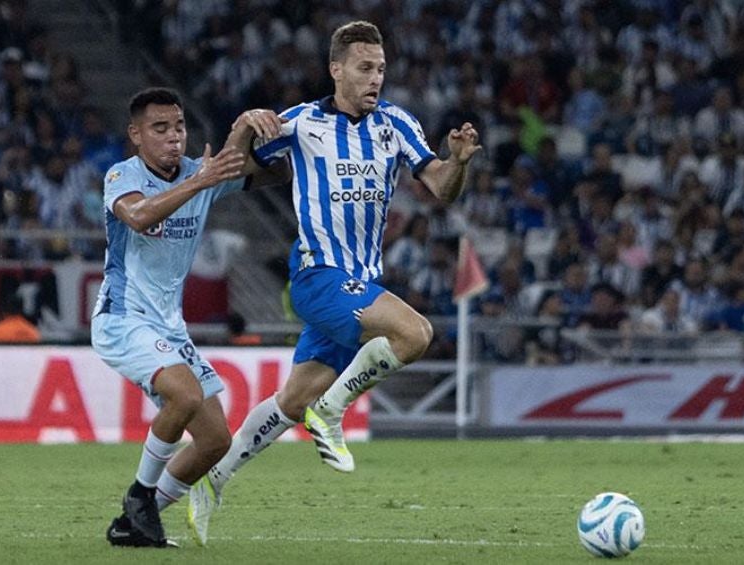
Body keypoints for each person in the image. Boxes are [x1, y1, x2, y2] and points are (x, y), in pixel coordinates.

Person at [188, 21, 481, 544]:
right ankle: (334, 409)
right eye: (366, 68)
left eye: (382, 69)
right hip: (318, 277)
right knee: (414, 334)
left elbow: (441, 186)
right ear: (336, 69)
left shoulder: (396, 124)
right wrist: (243, 128)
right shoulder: (300, 125)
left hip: (361, 281)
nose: (376, 79)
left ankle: (212, 480)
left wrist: (456, 162)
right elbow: (234, 170)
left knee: (291, 402)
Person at [90, 88, 272, 548]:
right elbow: (138, 216)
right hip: (122, 316)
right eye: (160, 129)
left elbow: (263, 171)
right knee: (186, 396)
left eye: (179, 127)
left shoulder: (200, 171)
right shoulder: (122, 175)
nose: (174, 138)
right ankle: (139, 495)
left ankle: (134, 523)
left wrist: (250, 127)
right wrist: (200, 182)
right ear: (136, 135)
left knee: (215, 441)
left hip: (168, 326)